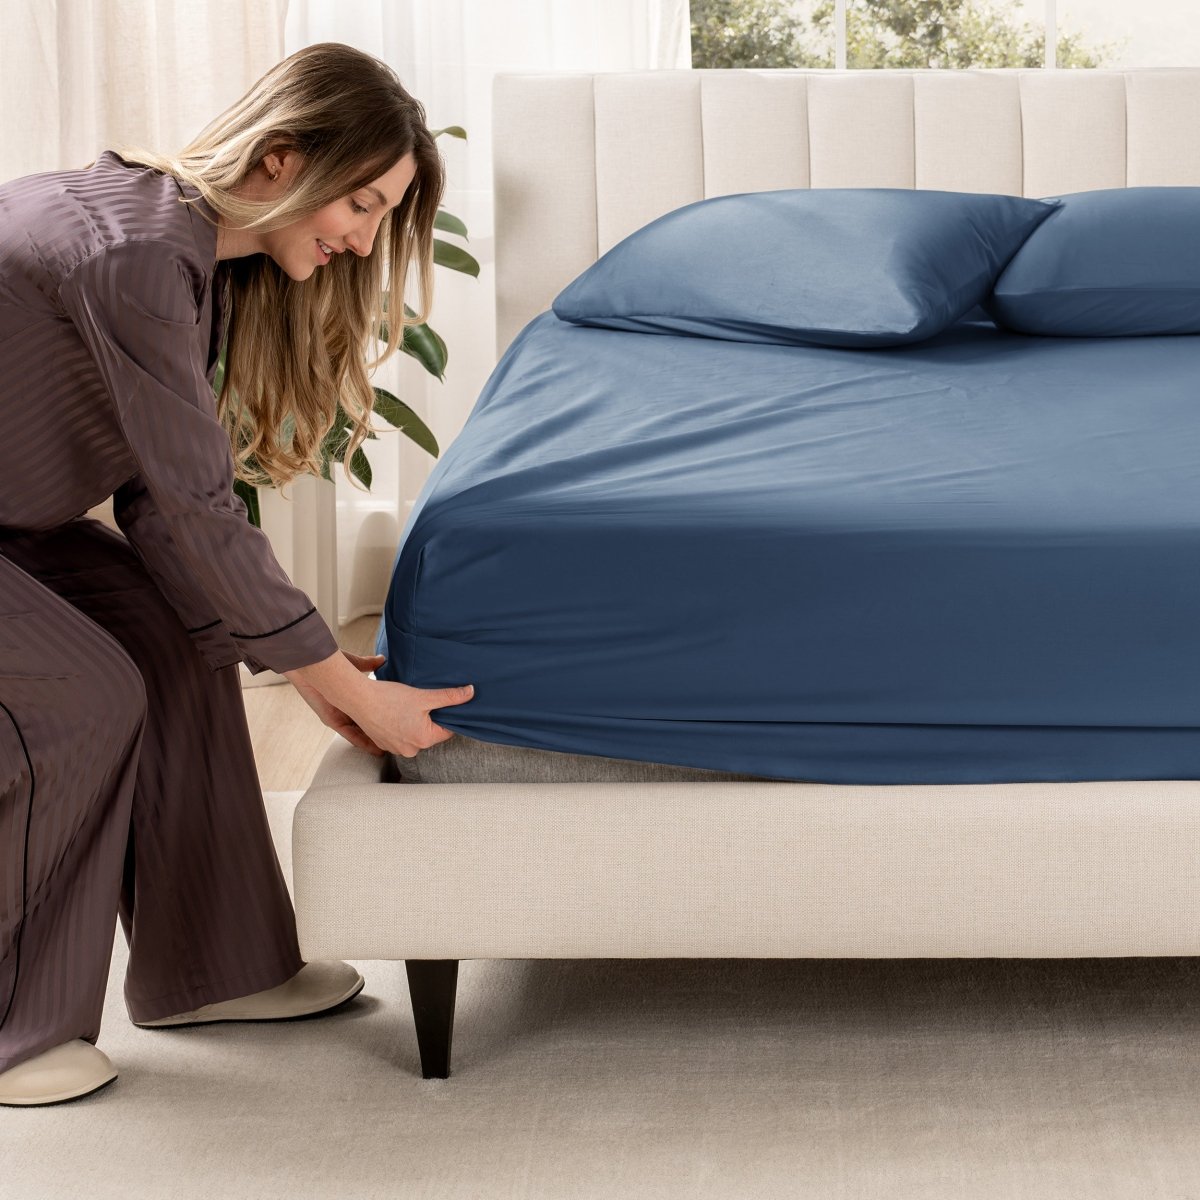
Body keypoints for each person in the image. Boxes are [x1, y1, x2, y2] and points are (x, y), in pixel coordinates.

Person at [0, 42, 475, 1106]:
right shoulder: (133, 254)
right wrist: (346, 690)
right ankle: (14, 1029)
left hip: (18, 527)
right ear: (281, 157)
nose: (363, 242)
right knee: (82, 695)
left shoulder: (187, 256)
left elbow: (158, 503)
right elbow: (195, 505)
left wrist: (308, 668)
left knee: (181, 638)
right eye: (361, 204)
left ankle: (215, 968)